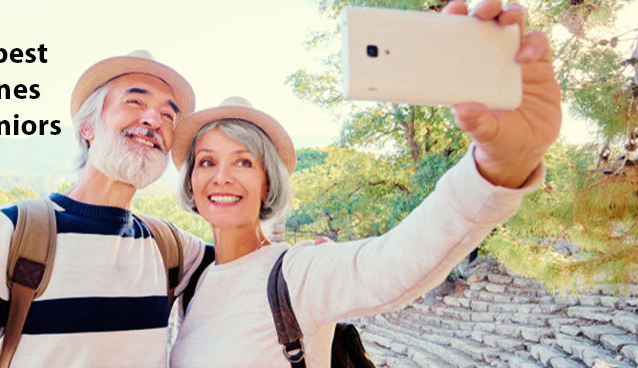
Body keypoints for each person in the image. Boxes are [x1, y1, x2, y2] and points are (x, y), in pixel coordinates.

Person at [167, 1, 560, 367]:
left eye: (243, 161)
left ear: (268, 184)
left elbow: (393, 266)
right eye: (207, 161)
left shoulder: (298, 272)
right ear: (191, 181)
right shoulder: (194, 277)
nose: (222, 176)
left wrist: (499, 165)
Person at [0, 50, 210, 367]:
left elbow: (250, 264)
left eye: (168, 115)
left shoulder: (171, 249)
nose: (153, 121)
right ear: (88, 126)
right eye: (135, 102)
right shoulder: (11, 232)